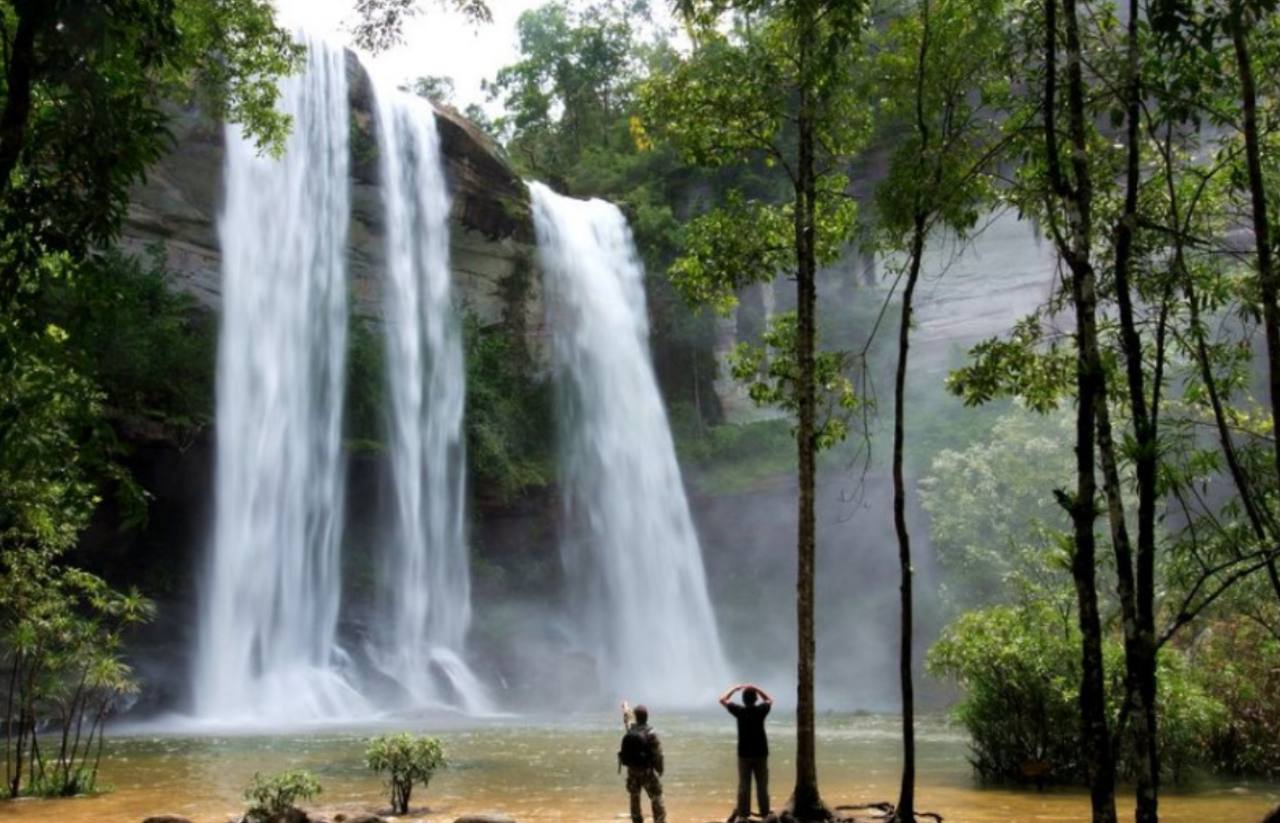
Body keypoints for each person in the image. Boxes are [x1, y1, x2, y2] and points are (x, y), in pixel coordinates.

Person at [720, 682, 773, 821]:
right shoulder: (761, 710)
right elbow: (769, 700)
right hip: (761, 752)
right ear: (756, 699)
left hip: (744, 753)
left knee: (744, 784)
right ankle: (765, 814)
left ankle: (743, 816)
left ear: (743, 700)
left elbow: (722, 699)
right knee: (762, 785)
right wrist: (757, 688)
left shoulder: (739, 711)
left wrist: (734, 689)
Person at [619, 700, 666, 823]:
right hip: (647, 771)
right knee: (656, 797)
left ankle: (636, 820)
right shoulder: (651, 733)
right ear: (647, 717)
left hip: (632, 771)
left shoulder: (631, 730)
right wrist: (659, 769)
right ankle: (659, 821)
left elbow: (627, 719)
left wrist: (625, 708)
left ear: (636, 717)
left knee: (634, 798)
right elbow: (658, 754)